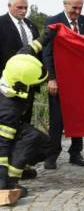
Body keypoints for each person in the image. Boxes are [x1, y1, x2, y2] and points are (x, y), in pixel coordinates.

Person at [43, 0, 84, 169]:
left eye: (80, 8)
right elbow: (47, 51)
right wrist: (52, 78)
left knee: (78, 117)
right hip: (58, 80)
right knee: (56, 120)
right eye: (74, 8)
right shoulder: (53, 22)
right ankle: (52, 155)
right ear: (65, 5)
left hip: (80, 81)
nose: (78, 12)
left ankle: (76, 152)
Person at [0, 41, 48, 202]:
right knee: (28, 139)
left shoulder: (15, 67)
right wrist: (1, 177)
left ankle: (21, 168)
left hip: (9, 127)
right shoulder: (9, 109)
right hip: (2, 139)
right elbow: (2, 145)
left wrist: (44, 39)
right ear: (21, 85)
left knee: (42, 142)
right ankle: (10, 181)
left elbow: (26, 51)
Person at [0, 0, 40, 180]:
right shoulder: (1, 24)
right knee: (7, 130)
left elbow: (38, 53)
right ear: (9, 6)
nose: (24, 11)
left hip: (28, 87)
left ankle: (19, 165)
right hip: (7, 88)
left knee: (25, 126)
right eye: (19, 8)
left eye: (26, 7)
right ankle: (4, 171)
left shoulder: (31, 26)